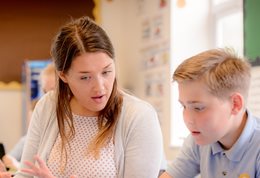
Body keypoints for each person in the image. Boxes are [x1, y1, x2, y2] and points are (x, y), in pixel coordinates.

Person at [0, 16, 163, 178]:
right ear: (63, 76)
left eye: (106, 72)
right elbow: (27, 175)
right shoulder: (47, 106)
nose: (100, 87)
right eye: (85, 77)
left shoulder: (139, 117)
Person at [160, 48, 260, 178]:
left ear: (235, 104)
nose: (187, 119)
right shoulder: (198, 140)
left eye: (198, 108)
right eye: (183, 106)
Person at [0, 63, 56, 173]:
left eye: (53, 90)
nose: (47, 97)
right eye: (45, 91)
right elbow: (12, 162)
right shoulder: (29, 138)